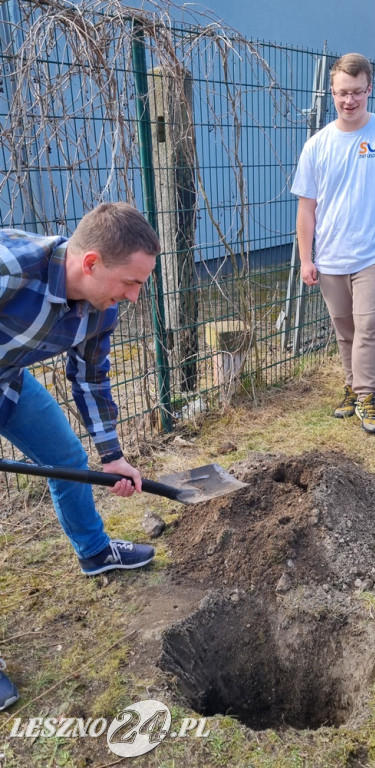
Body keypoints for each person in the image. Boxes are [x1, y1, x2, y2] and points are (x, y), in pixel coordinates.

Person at [0, 202, 161, 707]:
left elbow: (90, 377)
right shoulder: (10, 268)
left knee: (69, 458)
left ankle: (94, 551)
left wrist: (111, 453)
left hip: (9, 383)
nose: (134, 297)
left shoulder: (102, 305)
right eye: (130, 283)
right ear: (90, 263)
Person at [291, 53, 375, 433]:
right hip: (331, 258)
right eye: (342, 93)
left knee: (368, 326)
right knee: (344, 329)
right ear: (332, 91)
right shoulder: (317, 145)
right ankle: (351, 386)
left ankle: (367, 395)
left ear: (369, 89)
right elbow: (307, 209)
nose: (349, 101)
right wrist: (305, 258)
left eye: (357, 93)